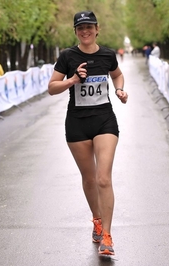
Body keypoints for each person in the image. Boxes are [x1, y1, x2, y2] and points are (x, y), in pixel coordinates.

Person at [48, 11, 128, 256]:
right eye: (80, 28)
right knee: (89, 178)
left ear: (97, 28)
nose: (85, 31)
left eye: (89, 27)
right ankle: (96, 218)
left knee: (103, 178)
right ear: (75, 31)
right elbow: (52, 88)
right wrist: (72, 80)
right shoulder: (67, 56)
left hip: (104, 120)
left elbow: (117, 75)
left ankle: (107, 236)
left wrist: (120, 90)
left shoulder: (107, 55)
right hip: (77, 124)